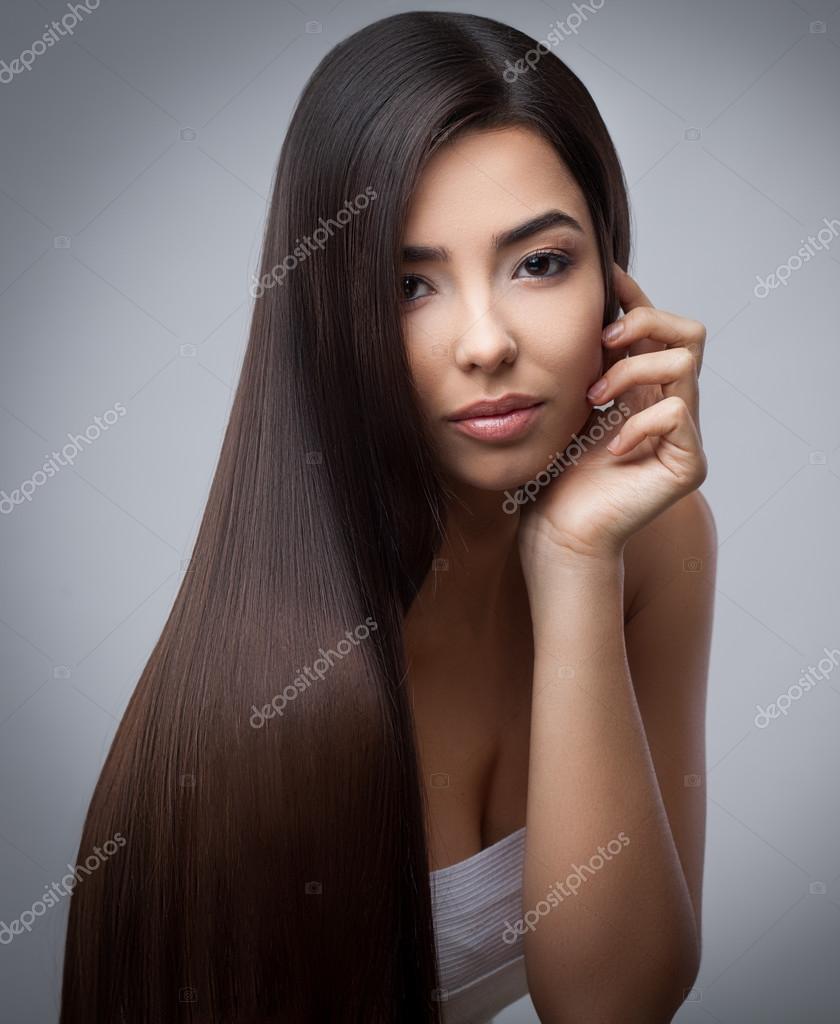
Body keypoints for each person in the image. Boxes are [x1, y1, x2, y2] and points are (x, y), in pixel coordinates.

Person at [59, 11, 715, 1023]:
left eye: (538, 263)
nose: (485, 342)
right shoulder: (275, 691)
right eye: (409, 285)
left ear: (614, 284)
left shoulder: (654, 539)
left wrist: (576, 560)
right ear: (331, 309)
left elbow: (616, 1008)